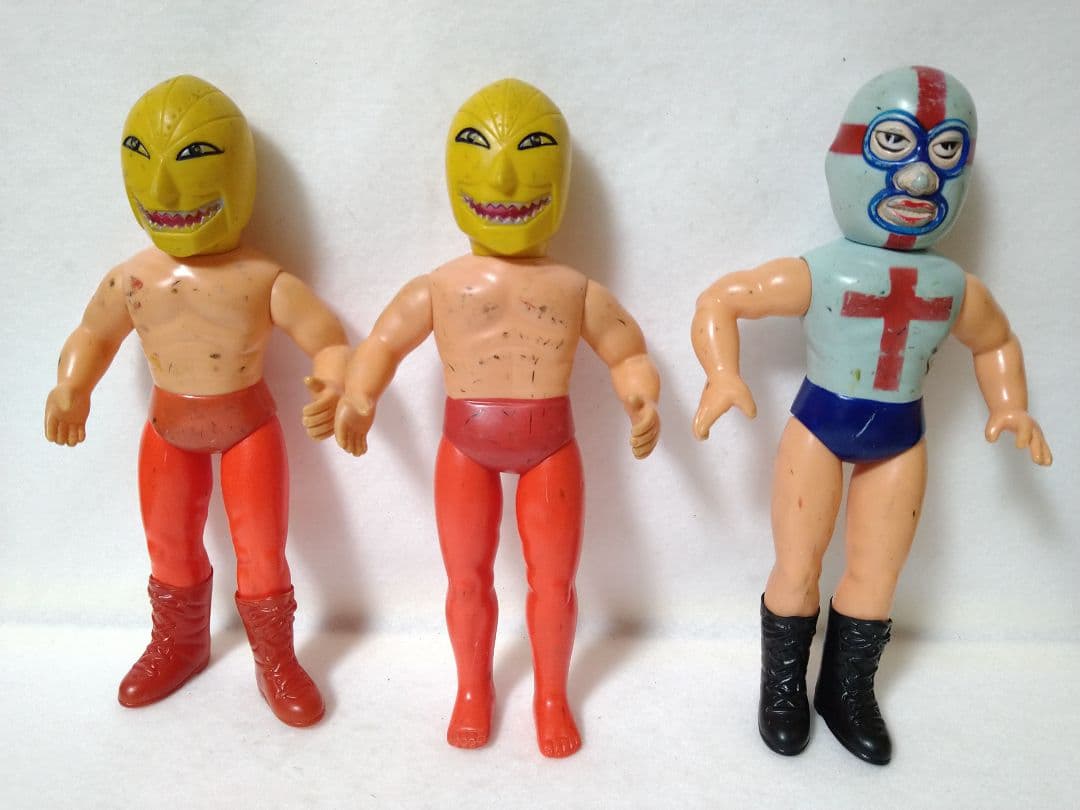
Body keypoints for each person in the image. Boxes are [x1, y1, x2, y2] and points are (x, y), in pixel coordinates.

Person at [691, 66, 1052, 764]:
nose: (918, 178)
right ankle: (783, 689)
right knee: (797, 566)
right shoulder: (824, 270)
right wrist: (723, 373)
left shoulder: (954, 287)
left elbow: (997, 341)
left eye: (944, 153)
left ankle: (845, 691)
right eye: (894, 145)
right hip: (818, 427)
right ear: (849, 155)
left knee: (876, 577)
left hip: (899, 435)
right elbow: (724, 299)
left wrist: (1011, 404)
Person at [334, 78, 661, 757]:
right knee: (466, 579)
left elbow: (627, 348)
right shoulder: (440, 285)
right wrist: (360, 395)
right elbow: (383, 344)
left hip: (550, 446)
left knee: (554, 582)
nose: (508, 182)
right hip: (467, 444)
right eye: (488, 160)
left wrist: (639, 394)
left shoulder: (573, 289)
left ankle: (551, 696)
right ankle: (472, 689)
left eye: (530, 156)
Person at [44, 75, 347, 727]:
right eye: (143, 160)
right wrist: (72, 384)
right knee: (168, 543)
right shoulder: (133, 278)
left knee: (260, 548)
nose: (166, 192)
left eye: (191, 160)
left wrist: (332, 375)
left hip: (248, 427)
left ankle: (275, 658)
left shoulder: (261, 278)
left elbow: (325, 334)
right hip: (168, 427)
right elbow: (93, 334)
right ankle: (179, 644)